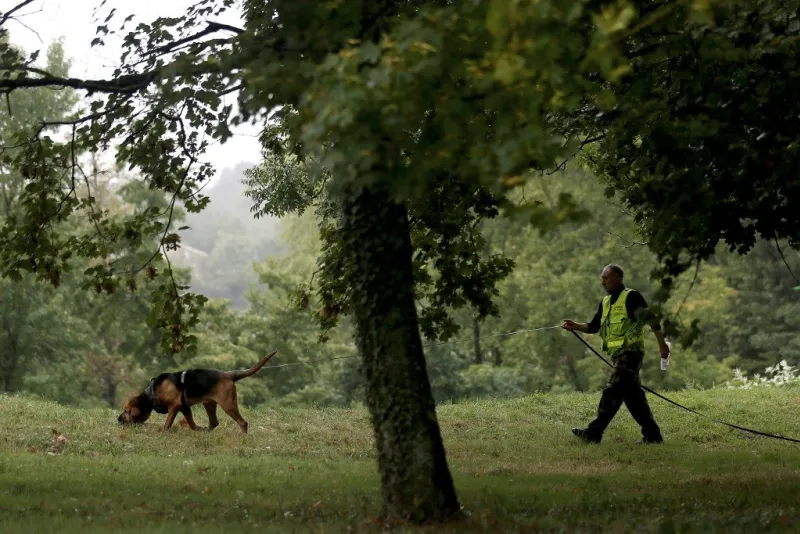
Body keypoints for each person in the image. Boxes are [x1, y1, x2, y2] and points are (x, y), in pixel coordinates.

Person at [561, 264, 670, 444]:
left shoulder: (632, 297)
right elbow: (594, 327)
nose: (603, 282)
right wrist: (575, 326)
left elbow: (652, 320)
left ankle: (593, 433)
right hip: (617, 355)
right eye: (602, 278)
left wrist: (662, 345)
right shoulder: (605, 302)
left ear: (618, 278)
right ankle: (653, 436)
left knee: (613, 389)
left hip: (631, 353)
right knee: (633, 397)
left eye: (606, 278)